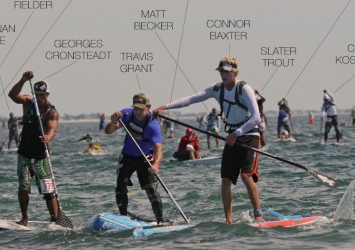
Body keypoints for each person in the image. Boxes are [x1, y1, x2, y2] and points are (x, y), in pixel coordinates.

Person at [155, 55, 264, 224]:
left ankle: (258, 215)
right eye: (221, 71)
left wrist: (237, 134)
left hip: (249, 134)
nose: (224, 75)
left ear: (235, 73)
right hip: (232, 136)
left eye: (227, 72)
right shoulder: (217, 89)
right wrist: (166, 107)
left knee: (245, 176)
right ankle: (229, 220)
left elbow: (256, 118)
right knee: (226, 179)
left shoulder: (244, 89)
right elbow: (191, 99)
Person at [9, 71, 68, 227]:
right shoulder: (28, 102)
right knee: (23, 186)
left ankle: (55, 219)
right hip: (24, 154)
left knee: (48, 191)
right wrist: (22, 80)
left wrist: (48, 137)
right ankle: (24, 218)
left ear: (47, 95)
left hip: (41, 156)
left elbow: (52, 128)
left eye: (43, 95)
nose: (40, 97)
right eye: (38, 94)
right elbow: (12, 96)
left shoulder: (52, 112)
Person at [104, 93, 166, 223]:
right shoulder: (126, 115)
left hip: (145, 157)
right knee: (120, 186)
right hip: (127, 156)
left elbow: (158, 149)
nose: (137, 112)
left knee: (151, 190)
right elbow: (108, 131)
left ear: (148, 107)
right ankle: (123, 217)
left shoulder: (152, 125)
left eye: (141, 109)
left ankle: (160, 221)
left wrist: (155, 165)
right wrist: (113, 122)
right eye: (135, 108)